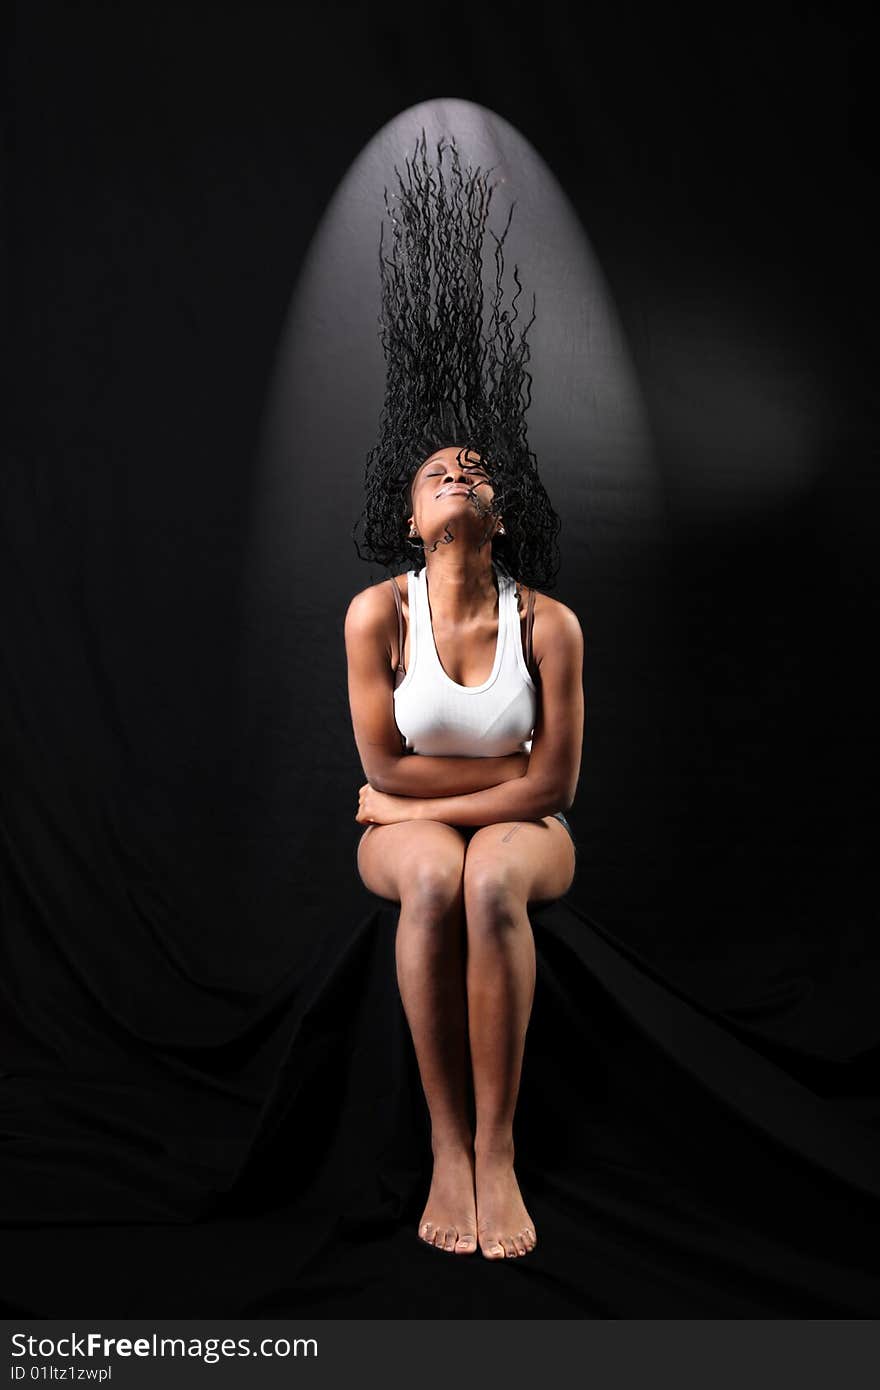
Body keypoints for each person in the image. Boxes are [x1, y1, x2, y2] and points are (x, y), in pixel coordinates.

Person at [346, 133, 585, 1261]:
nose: (456, 469)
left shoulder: (551, 623)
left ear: (498, 514)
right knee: (434, 881)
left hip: (532, 838)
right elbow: (388, 766)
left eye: (473, 469)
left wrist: (405, 802)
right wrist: (413, 805)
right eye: (433, 468)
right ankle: (447, 1144)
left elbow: (555, 783)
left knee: (490, 876)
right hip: (421, 836)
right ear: (410, 519)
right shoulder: (374, 616)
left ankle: (499, 1151)